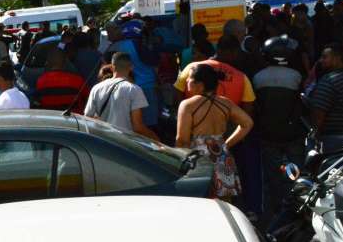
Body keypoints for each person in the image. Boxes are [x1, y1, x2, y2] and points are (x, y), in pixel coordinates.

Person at [175, 65, 254, 201]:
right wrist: (226, 145)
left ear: (199, 84)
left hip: (197, 158)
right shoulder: (226, 103)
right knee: (224, 203)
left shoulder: (187, 105)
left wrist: (178, 162)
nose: (187, 81)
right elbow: (247, 123)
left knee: (199, 201)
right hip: (222, 155)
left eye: (189, 78)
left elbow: (182, 140)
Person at [252, 36, 307, 216]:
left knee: (272, 173)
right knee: (296, 171)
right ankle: (297, 203)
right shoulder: (296, 76)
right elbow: (300, 105)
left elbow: (257, 107)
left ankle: (277, 208)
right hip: (293, 133)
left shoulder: (258, 78)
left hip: (268, 133)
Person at [84, 52, 160, 141]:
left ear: (112, 67)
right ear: (131, 67)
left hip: (102, 142)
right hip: (123, 145)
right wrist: (155, 138)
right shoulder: (134, 90)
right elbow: (138, 127)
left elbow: (87, 117)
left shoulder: (96, 88)